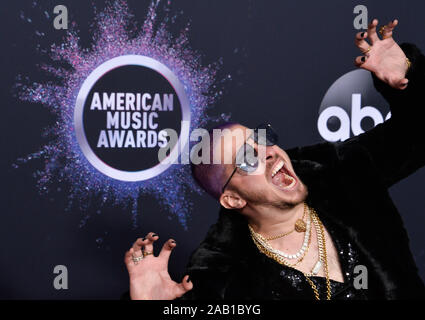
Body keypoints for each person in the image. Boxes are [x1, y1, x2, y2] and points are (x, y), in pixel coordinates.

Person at [123, 18, 425, 300]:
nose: (267, 152)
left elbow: (416, 136)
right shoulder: (219, 276)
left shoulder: (340, 171)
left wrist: (407, 75)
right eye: (246, 157)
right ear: (232, 199)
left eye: (260, 140)